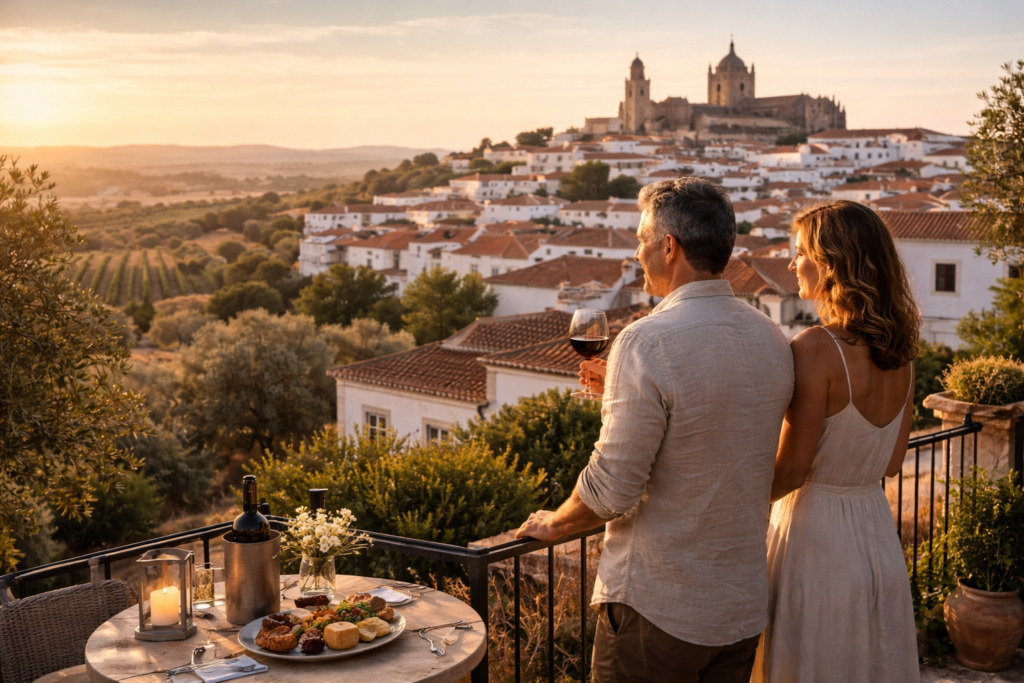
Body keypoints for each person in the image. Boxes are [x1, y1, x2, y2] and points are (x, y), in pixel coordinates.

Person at [515, 177, 794, 683]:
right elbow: (720, 425)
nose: (637, 254)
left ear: (670, 247)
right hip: (741, 608)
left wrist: (554, 524)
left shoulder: (646, 341)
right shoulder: (771, 336)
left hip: (660, 607)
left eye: (642, 241)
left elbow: (612, 487)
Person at [752, 201, 920, 682]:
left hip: (814, 541)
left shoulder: (815, 349)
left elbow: (791, 471)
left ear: (831, 264)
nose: (791, 263)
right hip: (875, 538)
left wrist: (730, 503)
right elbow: (891, 462)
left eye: (800, 251)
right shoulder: (902, 351)